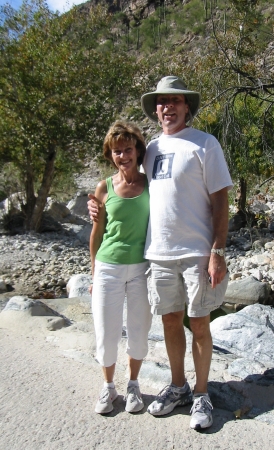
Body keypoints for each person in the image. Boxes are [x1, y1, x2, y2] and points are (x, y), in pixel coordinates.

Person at [89, 76, 232, 430]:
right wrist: (95, 205)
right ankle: (178, 386)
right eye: (161, 102)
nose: (167, 107)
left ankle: (201, 394)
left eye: (174, 101)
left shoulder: (205, 144)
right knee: (170, 322)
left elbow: (220, 200)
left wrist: (218, 251)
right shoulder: (150, 148)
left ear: (187, 107)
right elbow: (124, 178)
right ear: (156, 111)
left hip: (197, 251)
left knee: (198, 324)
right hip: (160, 254)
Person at [89, 120, 152, 415]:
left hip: (141, 269)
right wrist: (93, 272)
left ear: (137, 150)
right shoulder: (104, 187)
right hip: (108, 267)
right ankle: (108, 387)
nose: (122, 156)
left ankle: (134, 385)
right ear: (110, 154)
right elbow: (97, 233)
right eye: (116, 151)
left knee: (139, 331)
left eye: (127, 149)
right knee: (106, 332)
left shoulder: (151, 184)